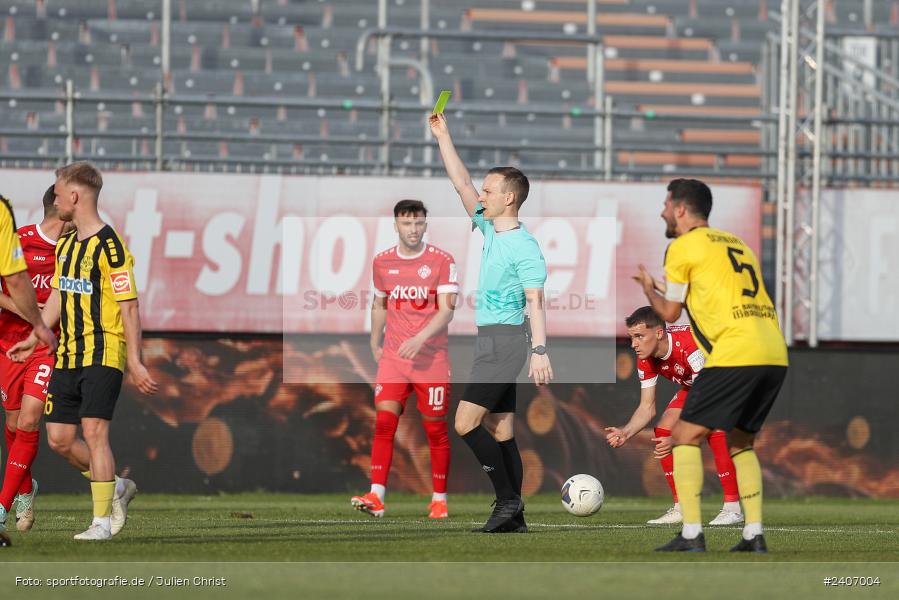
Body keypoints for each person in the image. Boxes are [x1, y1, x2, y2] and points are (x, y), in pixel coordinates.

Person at [634, 178, 788, 553]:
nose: (662, 212)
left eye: (667, 205)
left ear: (681, 210)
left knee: (683, 437)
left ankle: (690, 534)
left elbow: (669, 311)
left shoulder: (682, 246)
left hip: (734, 351)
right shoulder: (736, 243)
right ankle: (753, 534)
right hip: (773, 350)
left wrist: (647, 288)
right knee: (740, 441)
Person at [7, 162, 159, 541]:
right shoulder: (69, 246)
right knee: (59, 438)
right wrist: (35, 336)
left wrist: (135, 360)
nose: (53, 199)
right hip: (67, 352)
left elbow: (129, 305)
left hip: (102, 350)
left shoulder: (111, 245)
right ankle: (118, 487)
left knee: (94, 433)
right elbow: (59, 293)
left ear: (74, 196)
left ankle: (102, 524)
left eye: (57, 193)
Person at [430, 112, 552, 534]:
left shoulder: (523, 245)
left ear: (509, 200)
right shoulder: (489, 227)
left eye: (489, 190)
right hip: (492, 341)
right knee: (501, 430)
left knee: (464, 423)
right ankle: (514, 517)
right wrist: (444, 137)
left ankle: (507, 500)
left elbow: (536, 299)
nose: (480, 194)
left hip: (506, 343)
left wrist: (539, 350)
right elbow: (461, 183)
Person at [350, 200, 458, 519]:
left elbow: (447, 309)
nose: (413, 229)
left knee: (435, 430)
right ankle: (377, 496)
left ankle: (439, 499)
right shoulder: (382, 262)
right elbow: (379, 304)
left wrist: (420, 338)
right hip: (394, 359)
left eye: (418, 223)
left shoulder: (441, 261)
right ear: (395, 225)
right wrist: (374, 340)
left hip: (432, 360)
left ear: (426, 225)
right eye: (407, 224)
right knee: (384, 423)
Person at [605, 306, 743, 526]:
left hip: (727, 381)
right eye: (632, 338)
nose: (634, 345)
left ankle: (733, 508)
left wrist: (679, 437)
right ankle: (682, 508)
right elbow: (647, 407)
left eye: (639, 337)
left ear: (659, 333)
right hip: (697, 388)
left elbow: (706, 400)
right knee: (663, 431)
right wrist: (625, 432)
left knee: (716, 431)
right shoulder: (646, 359)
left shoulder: (690, 346)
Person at [0, 186, 73, 542]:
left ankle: (1, 507)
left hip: (47, 348)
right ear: (60, 206)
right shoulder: (18, 240)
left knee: (29, 419)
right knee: (13, 424)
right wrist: (31, 312)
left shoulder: (75, 251)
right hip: (9, 343)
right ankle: (26, 487)